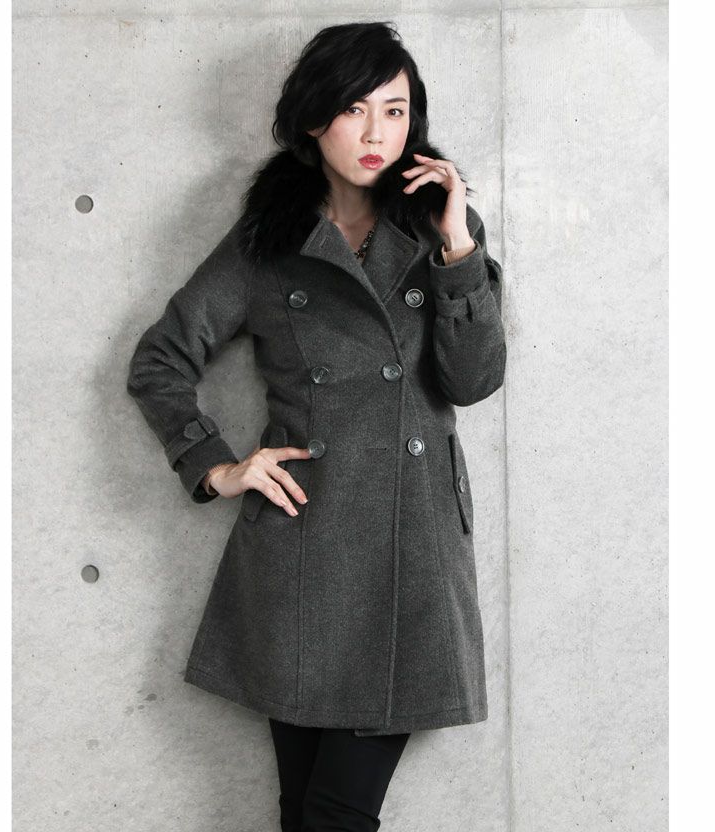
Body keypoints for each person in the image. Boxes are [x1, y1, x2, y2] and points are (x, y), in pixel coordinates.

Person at [127, 20, 506, 832]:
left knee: (334, 812)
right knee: (303, 811)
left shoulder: (441, 234)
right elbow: (160, 360)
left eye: (395, 112)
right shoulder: (269, 243)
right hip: (304, 549)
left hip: (411, 547)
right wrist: (217, 465)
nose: (376, 134)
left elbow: (473, 382)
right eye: (354, 109)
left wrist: (456, 243)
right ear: (312, 118)